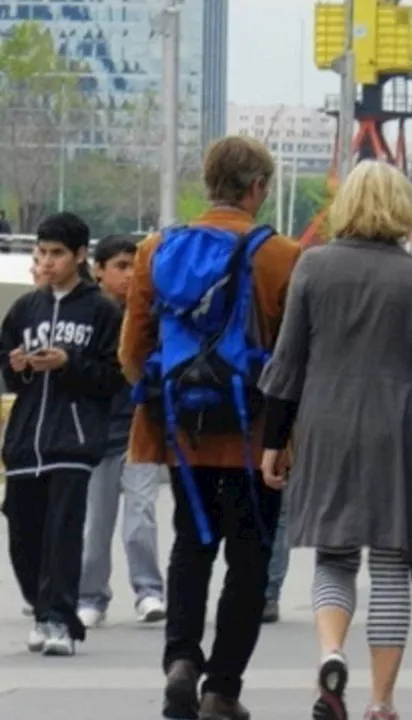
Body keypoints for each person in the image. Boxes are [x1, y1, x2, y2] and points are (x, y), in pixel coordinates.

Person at [258, 160, 412, 720]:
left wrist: (274, 440)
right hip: (399, 426)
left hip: (325, 423)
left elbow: (288, 360)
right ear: (403, 209)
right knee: (393, 563)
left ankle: (331, 653)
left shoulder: (312, 267)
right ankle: (381, 701)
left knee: (335, 555)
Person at [120, 136, 300, 720]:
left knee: (191, 547)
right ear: (257, 188)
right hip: (255, 436)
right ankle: (222, 690)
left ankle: (180, 661)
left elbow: (133, 348)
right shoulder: (281, 255)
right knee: (251, 560)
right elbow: (295, 353)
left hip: (184, 429)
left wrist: (165, 399)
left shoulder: (157, 249)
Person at [1, 211, 125, 656]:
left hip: (72, 441)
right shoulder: (24, 309)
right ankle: (43, 610)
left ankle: (60, 620)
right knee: (23, 536)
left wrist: (68, 364)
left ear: (79, 255)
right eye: (41, 252)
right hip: (24, 442)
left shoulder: (101, 310)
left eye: (57, 253)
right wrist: (18, 369)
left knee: (62, 535)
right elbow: (9, 376)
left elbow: (114, 378)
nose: (47, 261)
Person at [78, 235, 167, 630]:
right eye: (120, 266)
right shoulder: (91, 315)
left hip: (140, 428)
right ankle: (91, 595)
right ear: (99, 270)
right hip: (99, 433)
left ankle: (149, 591)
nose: (129, 275)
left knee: (141, 517)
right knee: (97, 523)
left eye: (135, 266)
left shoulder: (149, 312)